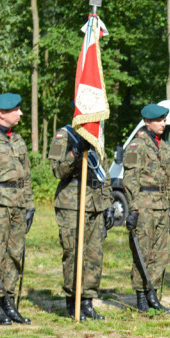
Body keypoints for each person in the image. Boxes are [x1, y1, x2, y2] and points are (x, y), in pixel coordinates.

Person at [0, 92, 35, 325]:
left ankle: (9, 301)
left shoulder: (18, 140)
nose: (20, 113)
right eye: (16, 109)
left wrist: (30, 204)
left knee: (15, 254)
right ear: (1, 113)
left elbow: (27, 175)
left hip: (18, 204)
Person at [48, 124, 113, 320]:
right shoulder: (63, 136)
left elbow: (105, 173)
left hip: (96, 202)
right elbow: (56, 170)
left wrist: (108, 203)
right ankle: (72, 301)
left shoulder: (96, 136)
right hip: (72, 201)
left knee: (94, 255)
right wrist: (75, 152)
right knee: (74, 252)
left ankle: (87, 301)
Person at [123, 104, 170, 314]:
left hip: (162, 205)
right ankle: (140, 296)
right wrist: (134, 208)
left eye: (164, 120)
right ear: (147, 122)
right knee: (143, 252)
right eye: (159, 121)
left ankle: (153, 294)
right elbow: (130, 178)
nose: (163, 124)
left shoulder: (164, 147)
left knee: (161, 253)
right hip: (145, 205)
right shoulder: (137, 146)